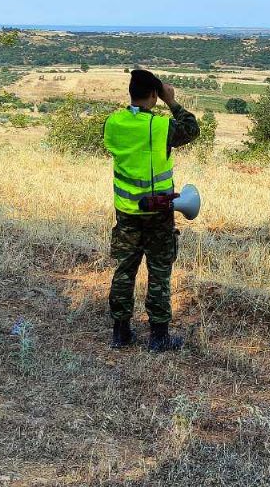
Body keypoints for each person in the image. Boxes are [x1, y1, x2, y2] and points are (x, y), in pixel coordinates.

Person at [103, 69, 199, 351]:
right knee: (158, 273)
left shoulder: (112, 123)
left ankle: (120, 333)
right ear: (154, 95)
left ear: (130, 93)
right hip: (158, 214)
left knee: (123, 271)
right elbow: (192, 128)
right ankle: (159, 337)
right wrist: (172, 102)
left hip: (126, 213)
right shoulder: (161, 127)